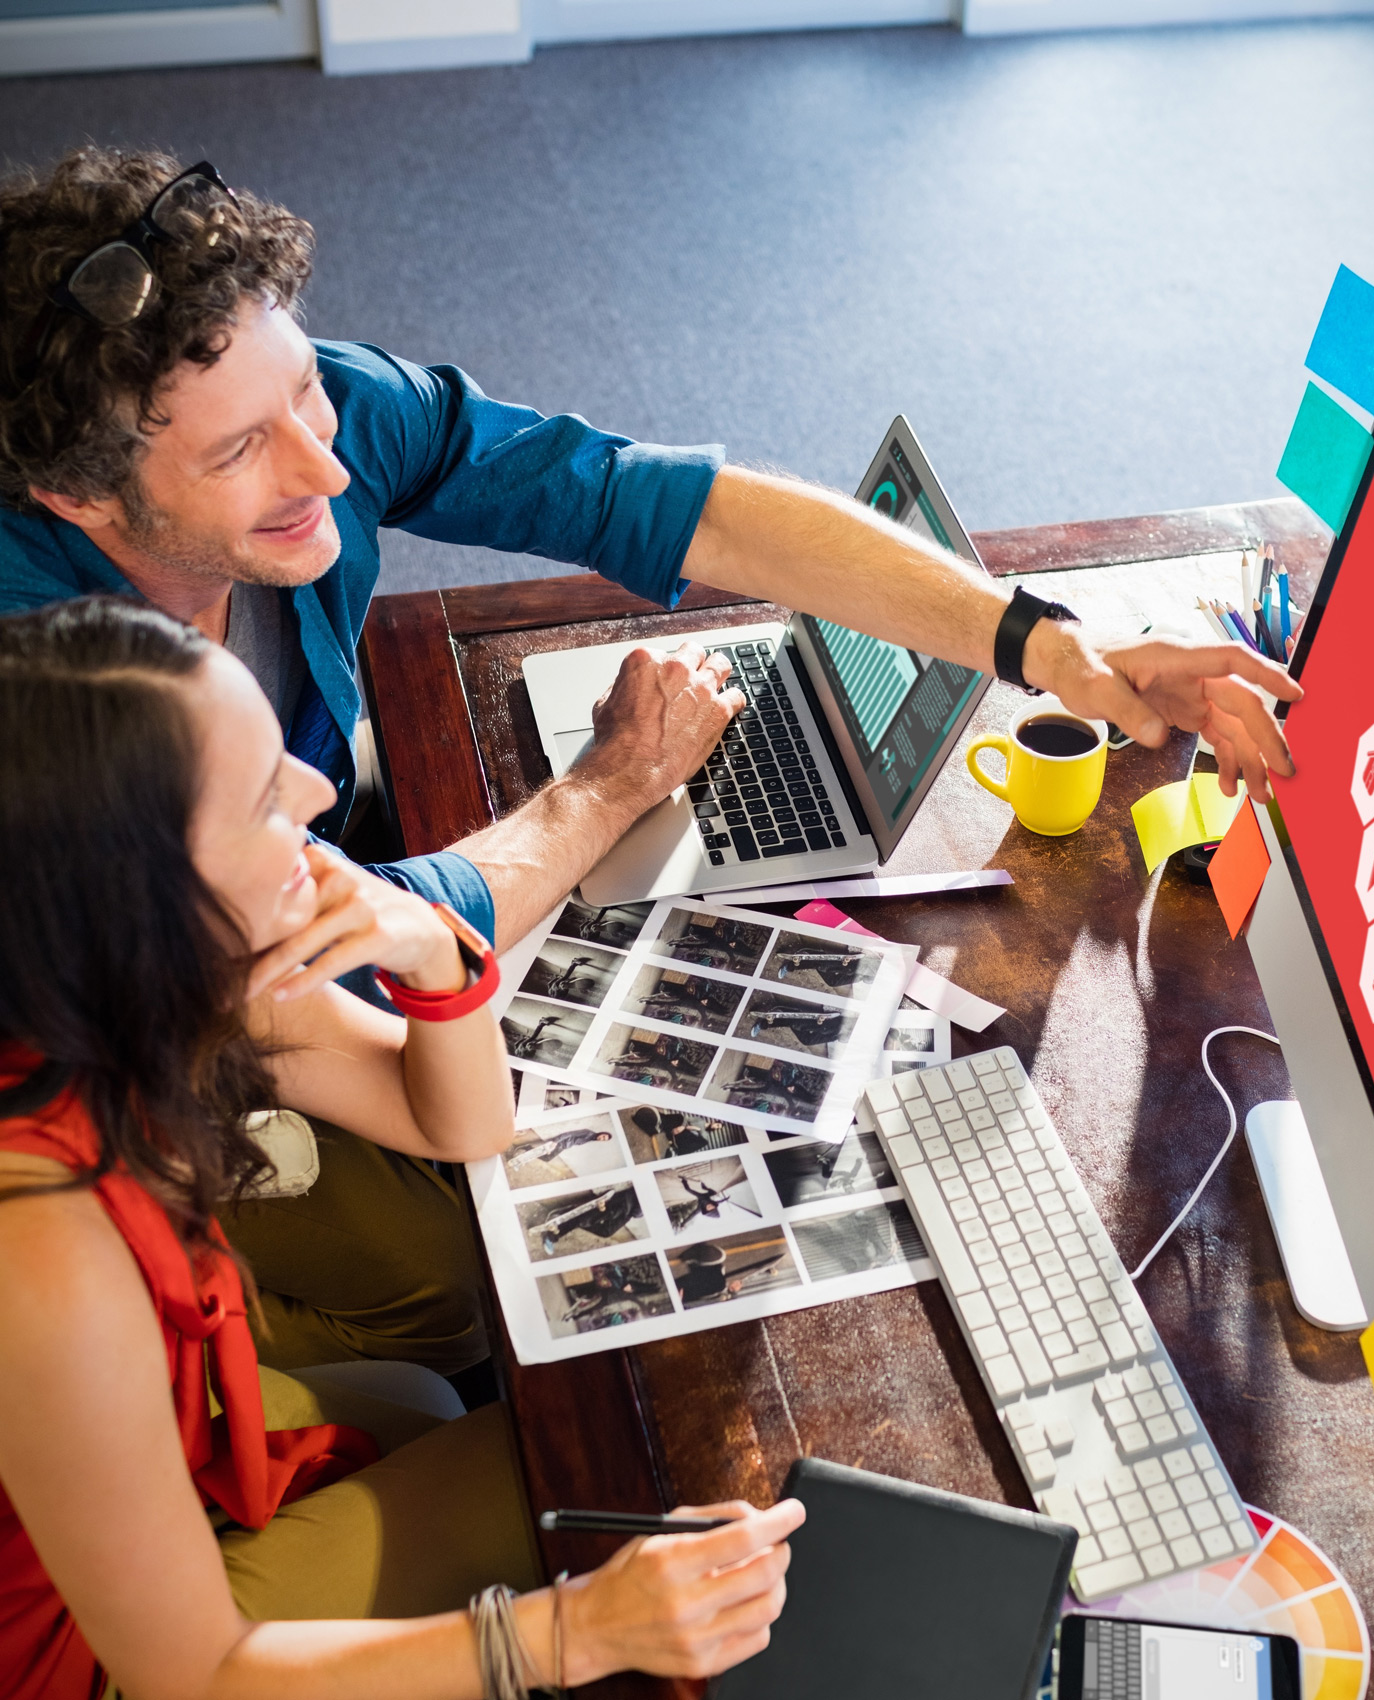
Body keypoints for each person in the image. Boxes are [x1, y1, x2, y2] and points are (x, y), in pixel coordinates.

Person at [0, 145, 1300, 972]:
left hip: (313, 873)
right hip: (154, 1038)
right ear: (73, 492)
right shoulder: (39, 698)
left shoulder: (324, 405)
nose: (329, 469)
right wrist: (606, 787)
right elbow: (320, 950)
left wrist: (1049, 647)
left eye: (309, 398)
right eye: (241, 456)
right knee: (440, 1286)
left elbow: (688, 511)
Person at [0, 598, 803, 1699]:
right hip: (89, 1657)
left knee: (492, 1411)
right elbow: (193, 1668)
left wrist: (433, 954)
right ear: (142, 898)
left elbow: (460, 1123)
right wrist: (568, 1629)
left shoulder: (161, 970)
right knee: (609, 1481)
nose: (322, 793)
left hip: (149, 1444)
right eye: (258, 796)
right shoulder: (41, 1250)